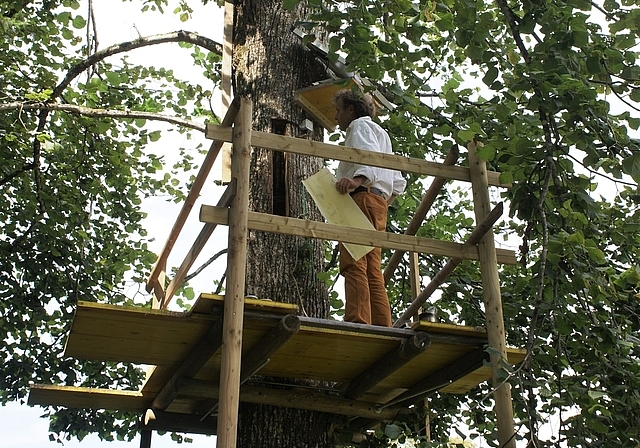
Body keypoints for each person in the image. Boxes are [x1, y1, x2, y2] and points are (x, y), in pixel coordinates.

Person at [333, 89, 406, 327]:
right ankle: (381, 324)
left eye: (338, 110)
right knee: (373, 268)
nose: (336, 117)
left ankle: (358, 320)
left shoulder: (358, 127)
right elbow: (397, 183)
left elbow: (367, 157)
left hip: (363, 198)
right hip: (378, 203)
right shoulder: (382, 134)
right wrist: (380, 200)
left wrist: (358, 182)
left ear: (350, 110)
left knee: (354, 262)